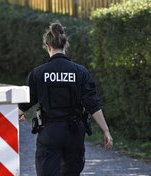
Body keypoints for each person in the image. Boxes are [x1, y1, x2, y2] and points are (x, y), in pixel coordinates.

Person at [18, 22, 113, 176]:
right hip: (74, 133)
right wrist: (106, 130)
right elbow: (92, 104)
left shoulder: (38, 73)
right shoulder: (80, 72)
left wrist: (16, 115)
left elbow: (25, 103)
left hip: (49, 132)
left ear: (48, 46)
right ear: (65, 45)